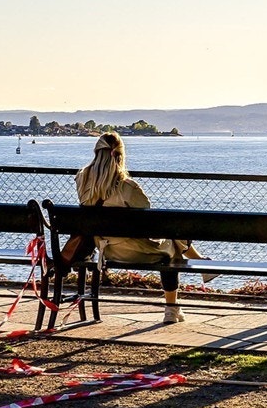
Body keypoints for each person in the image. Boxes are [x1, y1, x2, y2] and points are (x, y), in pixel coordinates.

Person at [76, 131, 204, 324]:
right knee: (172, 247)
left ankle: (180, 298)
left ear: (96, 152)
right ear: (120, 155)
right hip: (140, 251)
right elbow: (149, 219)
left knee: (172, 239)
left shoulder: (82, 179)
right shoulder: (128, 187)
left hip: (109, 251)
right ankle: (171, 308)